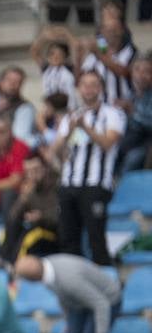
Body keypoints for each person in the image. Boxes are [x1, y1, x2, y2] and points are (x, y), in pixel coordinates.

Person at [54, 70, 126, 266]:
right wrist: (69, 131)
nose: (89, 89)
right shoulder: (71, 117)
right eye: (84, 84)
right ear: (78, 89)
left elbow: (108, 143)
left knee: (96, 238)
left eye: (93, 84)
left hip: (96, 184)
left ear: (101, 88)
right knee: (68, 239)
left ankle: (104, 282)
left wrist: (86, 128)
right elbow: (56, 150)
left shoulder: (113, 114)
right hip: (69, 184)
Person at [16, 253, 122, 333]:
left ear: (33, 280)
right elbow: (63, 297)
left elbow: (101, 304)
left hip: (107, 300)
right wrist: (68, 321)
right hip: (80, 303)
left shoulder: (69, 279)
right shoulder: (46, 268)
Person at [116, 54, 152, 176]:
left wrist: (132, 112)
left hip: (144, 144)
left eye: (147, 71)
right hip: (124, 140)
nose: (141, 75)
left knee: (132, 159)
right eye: (137, 70)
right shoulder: (129, 94)